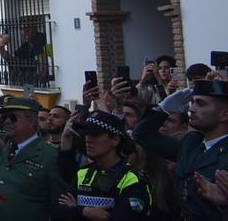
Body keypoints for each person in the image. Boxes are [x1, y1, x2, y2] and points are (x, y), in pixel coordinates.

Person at [133, 79, 228, 221]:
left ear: (224, 114)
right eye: (193, 102)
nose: (192, 109)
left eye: (201, 104)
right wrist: (162, 109)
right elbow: (141, 135)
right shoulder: (191, 143)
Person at [0, 95, 67, 221]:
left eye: (13, 117)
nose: (6, 121)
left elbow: (59, 205)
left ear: (31, 121)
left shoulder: (50, 155)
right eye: (4, 117)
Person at [53, 111, 152, 219]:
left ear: (115, 140)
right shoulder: (82, 173)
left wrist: (73, 210)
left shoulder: (132, 179)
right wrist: (84, 211)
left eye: (95, 134)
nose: (88, 139)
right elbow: (57, 213)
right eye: (87, 133)